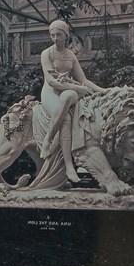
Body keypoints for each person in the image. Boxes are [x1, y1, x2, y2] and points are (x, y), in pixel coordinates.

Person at [39, 20, 105, 182]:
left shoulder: (70, 56)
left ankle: (49, 137)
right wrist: (79, 88)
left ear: (66, 35)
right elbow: (52, 81)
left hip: (69, 90)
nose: (55, 38)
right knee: (66, 118)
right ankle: (69, 166)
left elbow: (84, 81)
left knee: (68, 95)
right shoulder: (46, 53)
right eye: (52, 35)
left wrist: (105, 91)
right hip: (50, 92)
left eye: (59, 35)